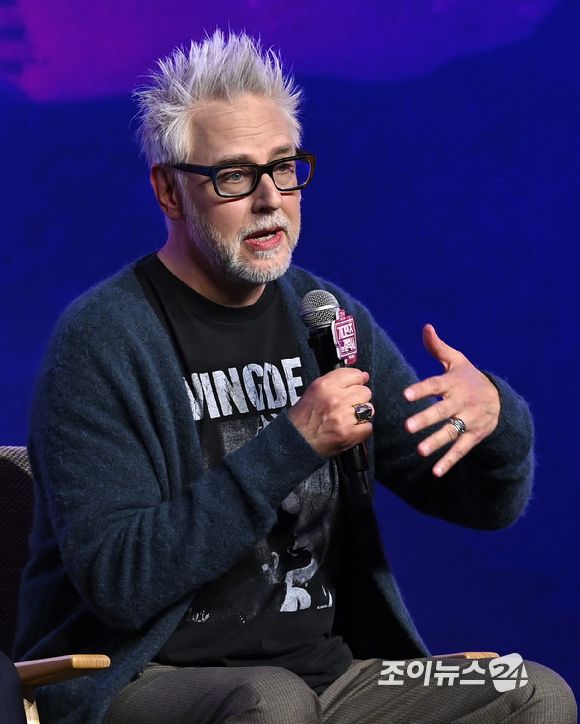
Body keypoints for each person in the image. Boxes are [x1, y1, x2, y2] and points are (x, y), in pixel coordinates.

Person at [14, 31, 576, 724]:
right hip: (142, 677)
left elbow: (478, 505)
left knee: (531, 692)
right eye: (233, 176)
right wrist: (293, 443)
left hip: (329, 680)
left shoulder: (327, 319)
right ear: (169, 191)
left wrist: (493, 419)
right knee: (273, 703)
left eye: (283, 168)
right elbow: (119, 583)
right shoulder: (104, 341)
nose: (269, 199)